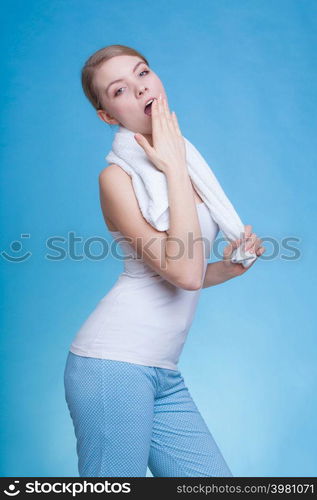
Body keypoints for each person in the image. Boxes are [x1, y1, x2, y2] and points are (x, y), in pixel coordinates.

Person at [63, 44, 265, 478]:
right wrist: (172, 167)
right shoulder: (117, 178)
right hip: (111, 367)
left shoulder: (185, 158)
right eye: (119, 90)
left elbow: (178, 274)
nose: (139, 89)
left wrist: (230, 267)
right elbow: (184, 272)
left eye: (143, 74)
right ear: (107, 116)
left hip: (163, 373)